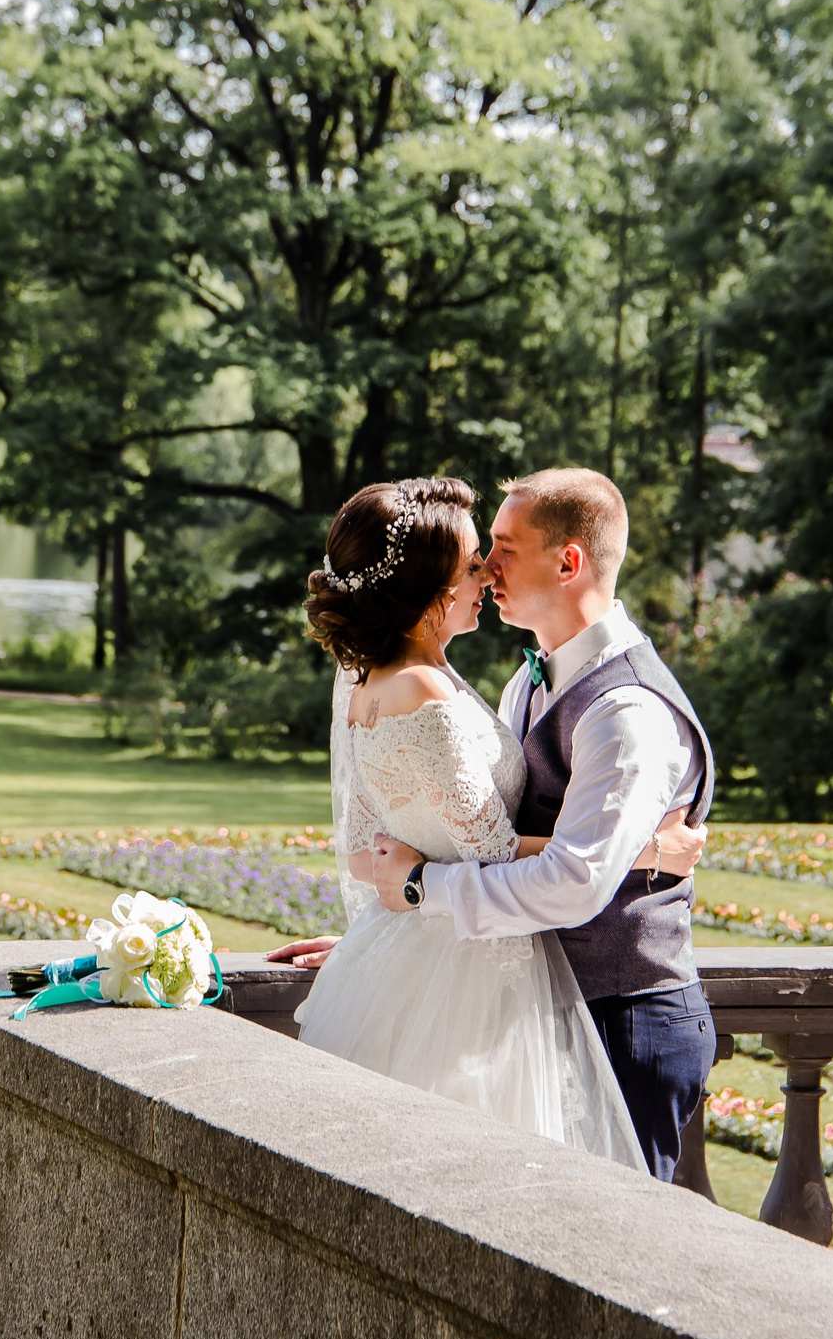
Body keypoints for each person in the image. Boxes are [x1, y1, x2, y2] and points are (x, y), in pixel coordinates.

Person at [288, 469, 720, 1182]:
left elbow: (576, 877)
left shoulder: (629, 710)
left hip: (623, 1018)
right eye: (481, 550)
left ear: (569, 562)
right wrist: (404, 930)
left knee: (603, 1259)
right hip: (532, 1006)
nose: (487, 567)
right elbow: (452, 837)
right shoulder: (526, 680)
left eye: (504, 547)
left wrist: (421, 893)